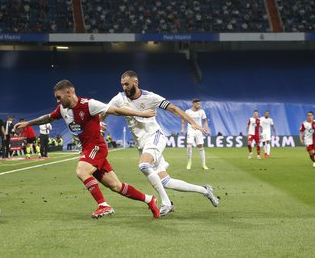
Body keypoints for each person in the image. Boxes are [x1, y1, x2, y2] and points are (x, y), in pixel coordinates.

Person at [14, 79, 161, 219]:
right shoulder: (62, 109)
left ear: (69, 93)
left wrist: (142, 113)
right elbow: (49, 118)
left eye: (59, 97)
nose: (57, 101)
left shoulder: (89, 105)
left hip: (96, 147)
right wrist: (28, 124)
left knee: (82, 170)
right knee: (116, 186)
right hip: (87, 150)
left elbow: (116, 110)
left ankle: (103, 205)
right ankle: (149, 199)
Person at [107, 71, 219, 218]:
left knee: (143, 165)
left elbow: (174, 109)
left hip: (155, 137)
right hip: (142, 145)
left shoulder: (150, 97)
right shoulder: (119, 99)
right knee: (166, 181)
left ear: (135, 82)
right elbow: (104, 112)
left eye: (127, 84)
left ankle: (166, 203)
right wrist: (99, 123)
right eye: (122, 85)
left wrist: (192, 123)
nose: (124, 87)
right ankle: (205, 190)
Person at [182, 99, 210, 170]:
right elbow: (183, 120)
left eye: (200, 104)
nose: (199, 105)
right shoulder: (188, 111)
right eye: (198, 104)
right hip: (190, 130)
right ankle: (189, 162)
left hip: (199, 130)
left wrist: (207, 129)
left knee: (200, 146)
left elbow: (205, 121)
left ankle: (204, 164)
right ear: (193, 104)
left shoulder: (202, 111)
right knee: (189, 145)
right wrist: (183, 129)